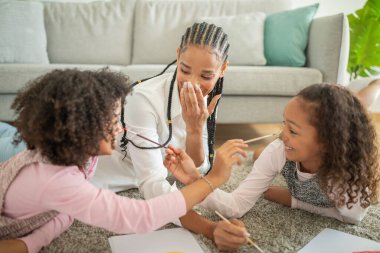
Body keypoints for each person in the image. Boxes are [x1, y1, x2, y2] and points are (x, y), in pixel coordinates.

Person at [0, 68, 248, 253]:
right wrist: (212, 180)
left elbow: (64, 212)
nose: (120, 128)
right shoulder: (57, 181)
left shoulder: (75, 156)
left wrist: (29, 242)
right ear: (82, 128)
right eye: (113, 120)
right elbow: (141, 216)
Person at [91, 22, 250, 248]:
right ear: (177, 56)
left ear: (223, 69)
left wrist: (195, 130)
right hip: (103, 179)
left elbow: (195, 172)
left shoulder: (210, 93)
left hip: (144, 181)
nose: (193, 85)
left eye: (206, 75)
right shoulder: (142, 99)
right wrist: (210, 228)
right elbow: (152, 188)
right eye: (185, 70)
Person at [166, 83, 380, 248]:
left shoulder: (347, 173)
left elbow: (350, 217)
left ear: (327, 143)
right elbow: (236, 205)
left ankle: (376, 84)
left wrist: (295, 201)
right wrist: (195, 180)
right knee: (261, 154)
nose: (282, 135)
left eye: (293, 131)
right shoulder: (279, 149)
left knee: (360, 102)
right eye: (284, 124)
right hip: (289, 160)